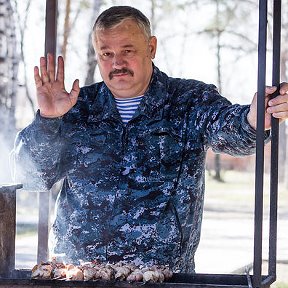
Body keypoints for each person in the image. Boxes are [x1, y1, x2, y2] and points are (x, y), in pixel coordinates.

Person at [13, 6, 288, 273]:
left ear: (151, 48)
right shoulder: (75, 108)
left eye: (127, 51)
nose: (116, 63)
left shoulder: (188, 101)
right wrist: (48, 120)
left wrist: (254, 120)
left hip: (163, 277)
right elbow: (34, 176)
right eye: (106, 53)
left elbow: (232, 132)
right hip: (79, 275)